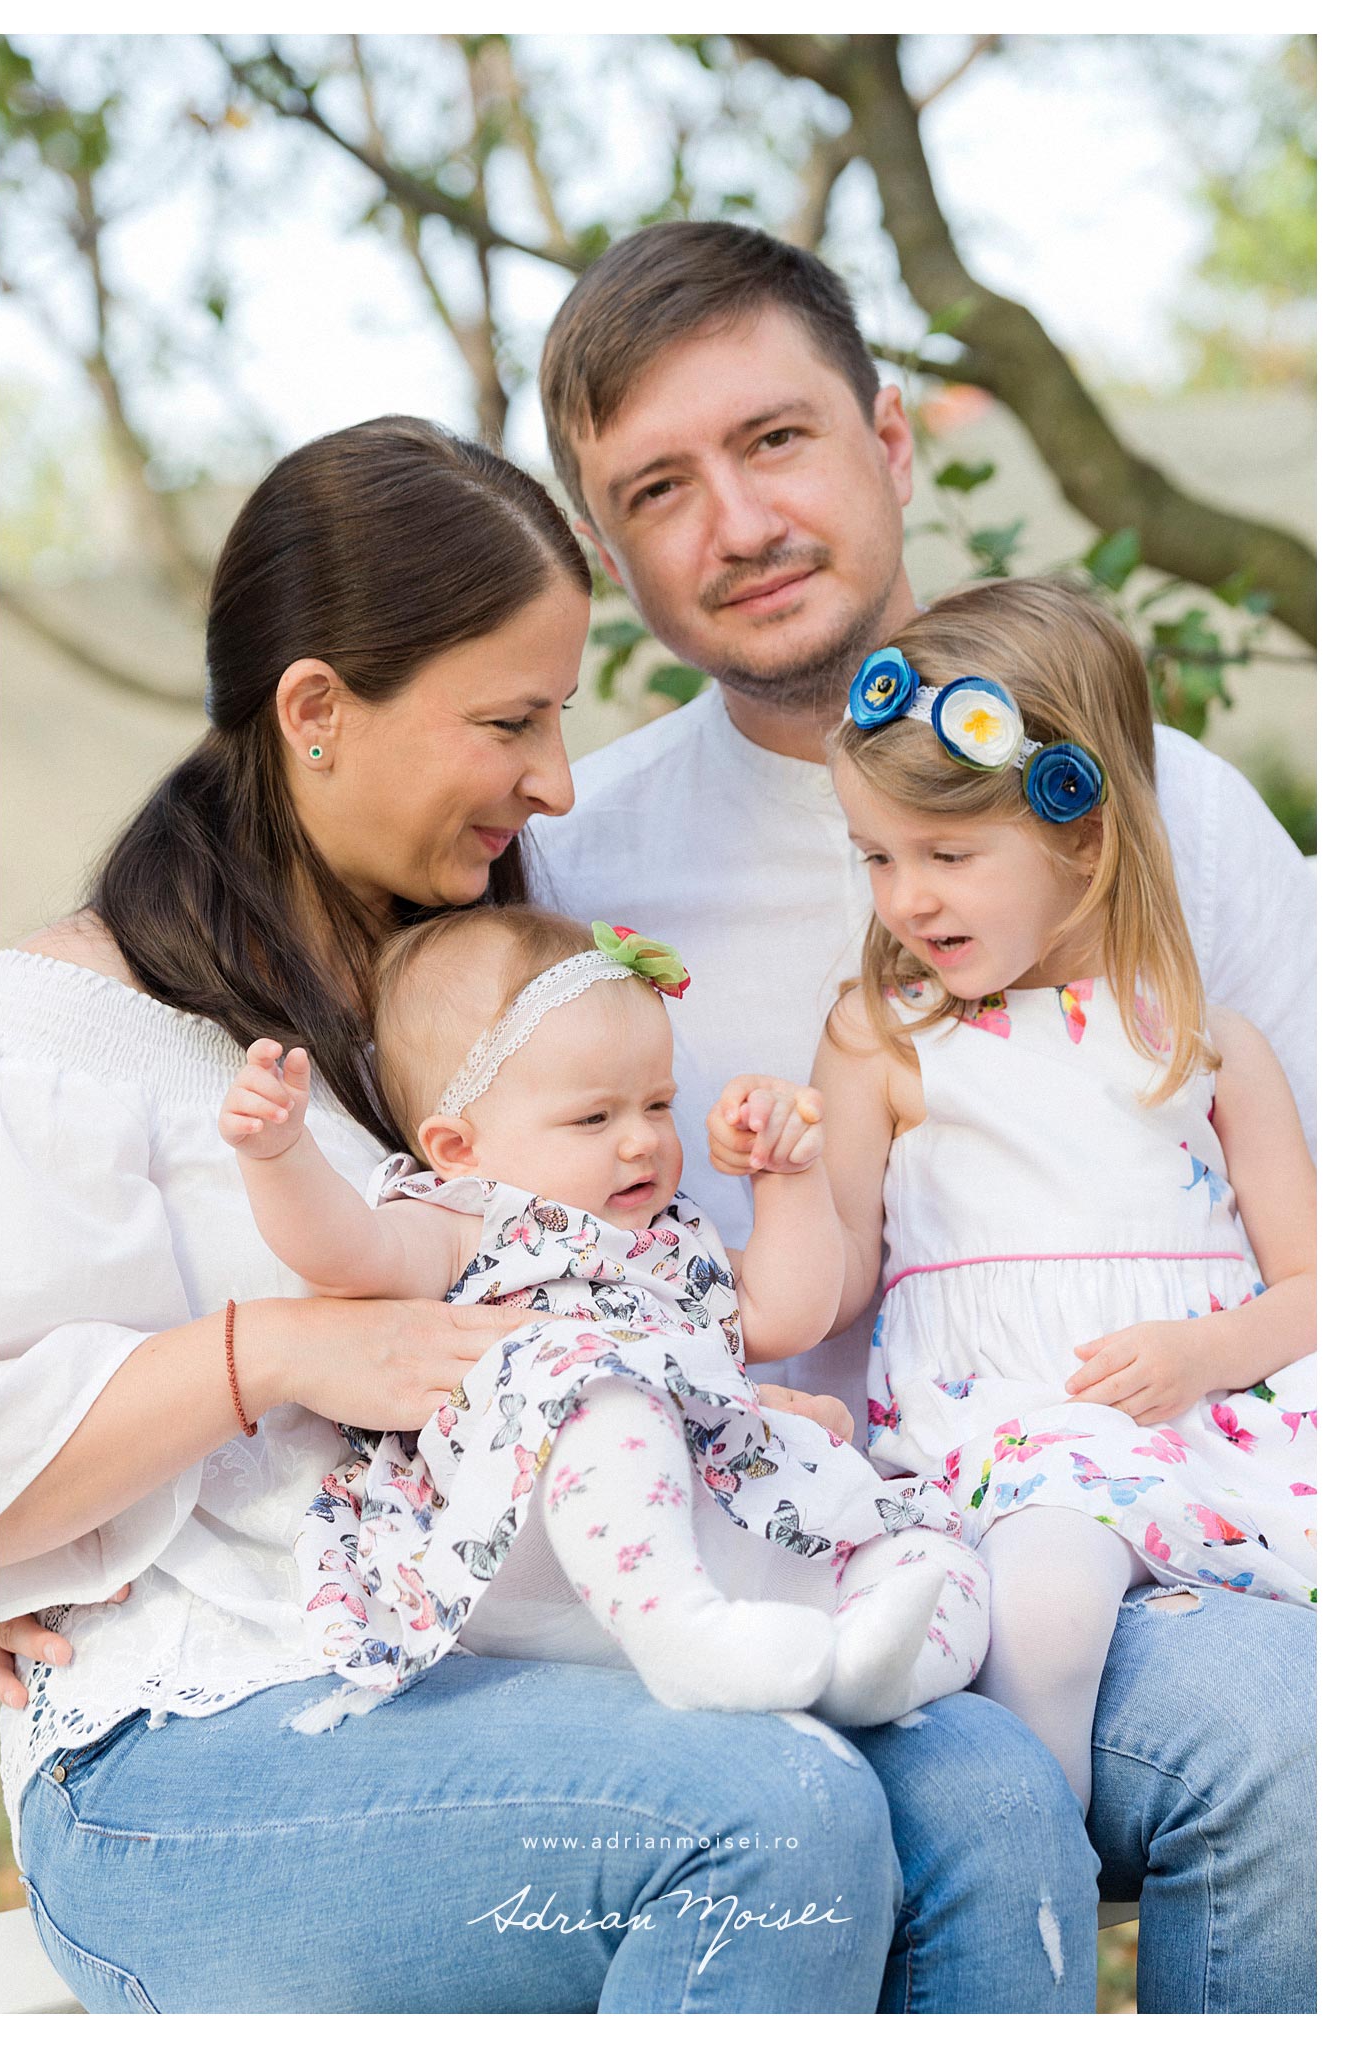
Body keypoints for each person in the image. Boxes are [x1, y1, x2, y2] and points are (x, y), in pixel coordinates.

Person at [0, 415, 1095, 2015]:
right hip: (197, 1744)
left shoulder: (479, 990)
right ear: (316, 710)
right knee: (765, 1815)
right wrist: (281, 1350)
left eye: (560, 717)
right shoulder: (59, 1032)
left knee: (990, 1787)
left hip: (517, 1675)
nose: (557, 780)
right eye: (509, 720)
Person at [531, 219, 1316, 2012]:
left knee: (1287, 1732)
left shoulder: (1167, 810)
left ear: (892, 443)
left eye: (777, 440)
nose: (735, 523)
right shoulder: (572, 854)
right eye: (659, 486)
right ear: (607, 549)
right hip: (752, 1553)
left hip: (1146, 1510)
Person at [217, 907, 987, 1731]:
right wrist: (279, 1156)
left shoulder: (667, 1237)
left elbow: (785, 1316)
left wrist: (787, 1181)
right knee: (605, 1381)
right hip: (528, 1529)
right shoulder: (463, 1221)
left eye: (657, 1105)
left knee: (932, 1549)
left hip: (715, 1516)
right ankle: (680, 1636)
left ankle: (869, 1675)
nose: (642, 1143)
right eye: (595, 1118)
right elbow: (340, 1249)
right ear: (458, 1147)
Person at [806, 579, 1314, 1812]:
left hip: (1197, 1420)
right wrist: (779, 1170)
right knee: (1038, 1595)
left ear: (1083, 832)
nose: (905, 898)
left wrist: (1210, 1347)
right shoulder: (887, 1039)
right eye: (876, 856)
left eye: (947, 854)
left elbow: (1315, 1280)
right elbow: (833, 1280)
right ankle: (1038, 1851)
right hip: (1005, 1433)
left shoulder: (1199, 1044)